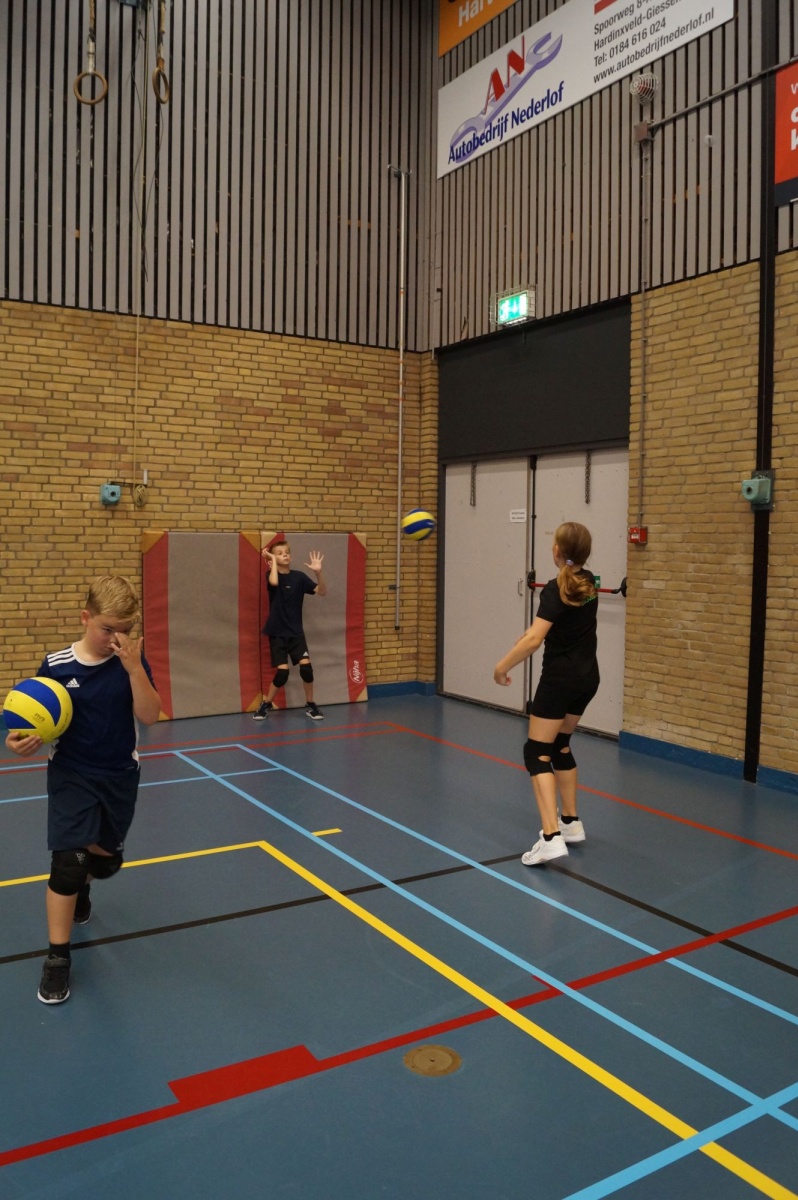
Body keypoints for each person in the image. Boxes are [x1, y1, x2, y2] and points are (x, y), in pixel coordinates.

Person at [5, 575, 161, 1004]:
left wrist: (134, 668)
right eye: (107, 628)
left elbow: (150, 716)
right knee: (67, 865)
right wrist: (19, 741)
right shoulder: (56, 665)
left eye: (125, 630)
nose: (116, 639)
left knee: (104, 863)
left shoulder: (130, 662)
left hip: (119, 775)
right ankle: (57, 959)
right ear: (85, 617)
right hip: (71, 773)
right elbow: (32, 719)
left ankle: (85, 885)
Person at [494, 522, 599, 866]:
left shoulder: (556, 588)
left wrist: (501, 667)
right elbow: (558, 625)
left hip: (560, 681)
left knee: (536, 752)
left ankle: (551, 837)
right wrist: (529, 634)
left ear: (556, 550)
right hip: (587, 678)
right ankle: (571, 822)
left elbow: (536, 640)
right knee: (560, 745)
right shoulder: (589, 582)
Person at [253, 541, 327, 721]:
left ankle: (310, 704)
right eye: (279, 553)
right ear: (272, 559)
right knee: (282, 674)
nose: (285, 554)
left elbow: (322, 591)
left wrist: (318, 573)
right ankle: (266, 704)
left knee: (307, 669)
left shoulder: (299, 577)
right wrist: (272, 561)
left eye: (287, 552)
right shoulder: (270, 575)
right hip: (277, 633)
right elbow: (274, 582)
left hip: (296, 633)